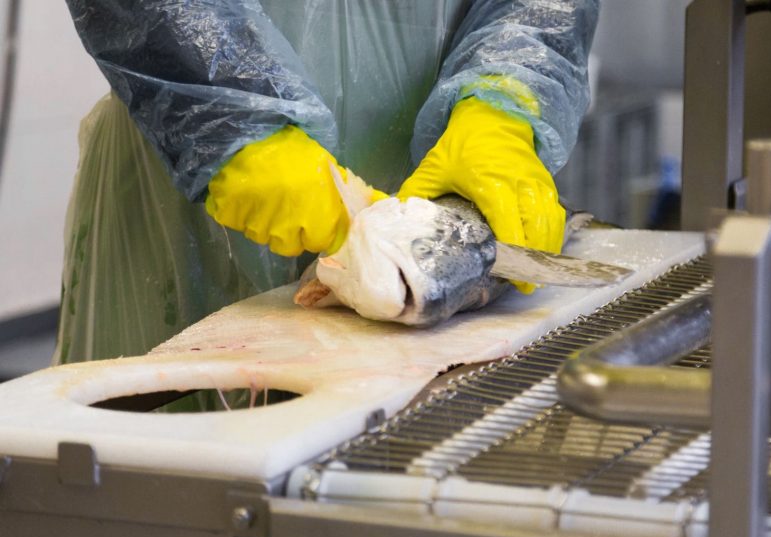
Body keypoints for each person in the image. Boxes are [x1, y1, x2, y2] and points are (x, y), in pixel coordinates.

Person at [58, 0, 599, 365]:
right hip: (185, 195)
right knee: (162, 487)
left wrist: (502, 103)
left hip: (441, 175)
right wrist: (234, 127)